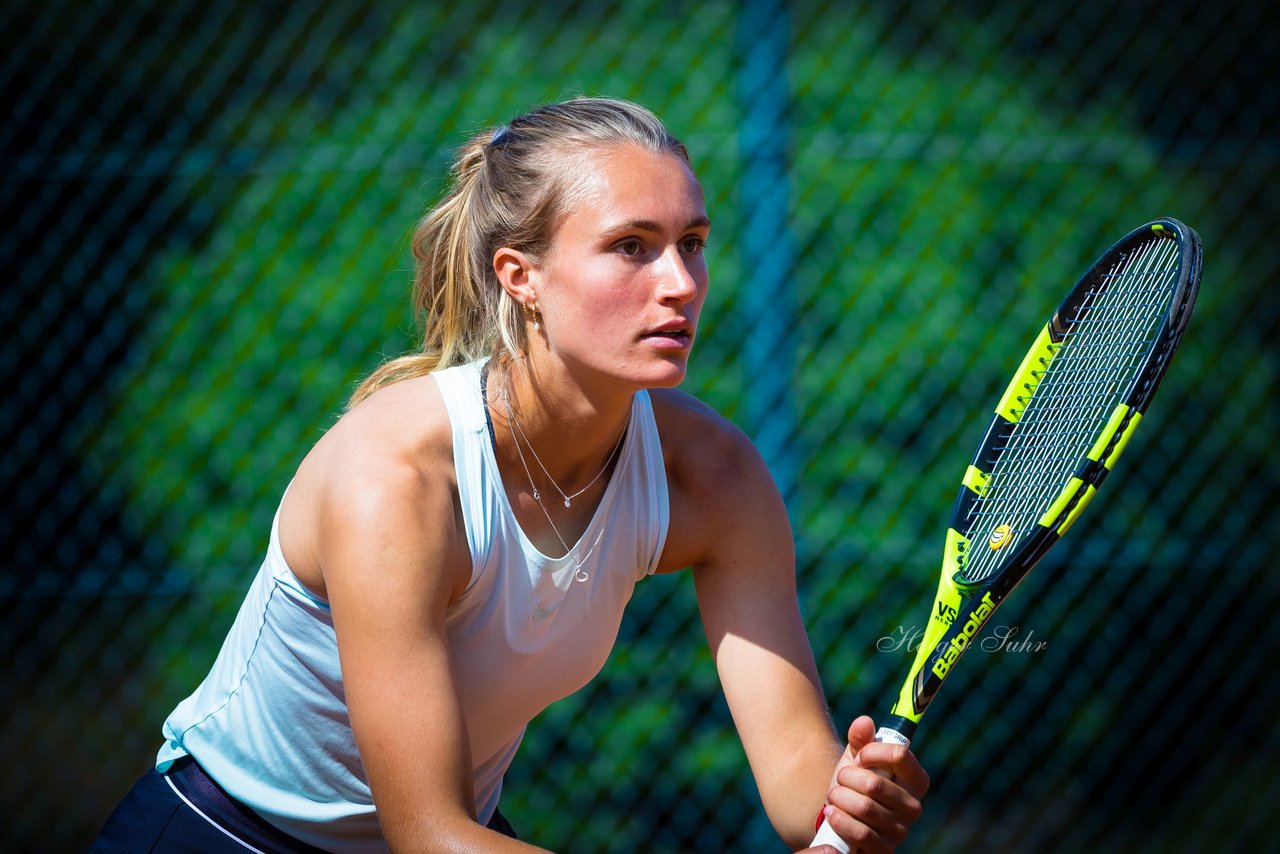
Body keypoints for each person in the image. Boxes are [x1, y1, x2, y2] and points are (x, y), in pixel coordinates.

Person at [93, 96, 929, 853]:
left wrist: (846, 803)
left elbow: (799, 788)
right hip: (221, 835)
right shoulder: (397, 476)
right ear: (519, 276)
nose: (680, 284)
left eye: (693, 245)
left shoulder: (714, 479)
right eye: (631, 247)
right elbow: (428, 836)